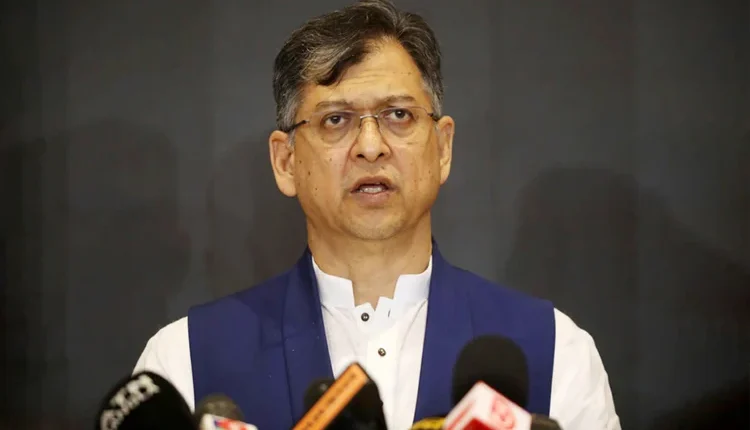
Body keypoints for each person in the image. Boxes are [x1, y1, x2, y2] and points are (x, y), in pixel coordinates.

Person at [134, 1, 621, 429]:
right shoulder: (184, 363)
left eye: (398, 115)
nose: (370, 147)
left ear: (443, 148)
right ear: (285, 162)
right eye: (336, 120)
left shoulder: (556, 352)